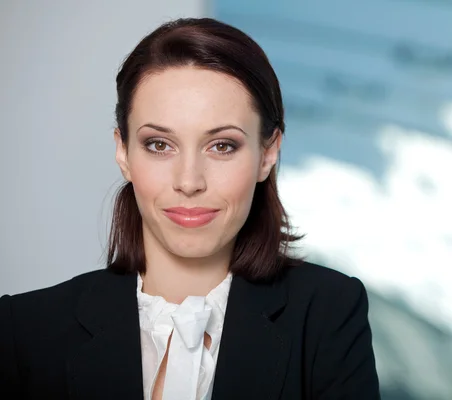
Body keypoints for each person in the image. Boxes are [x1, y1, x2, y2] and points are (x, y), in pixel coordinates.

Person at [0, 18, 380, 400]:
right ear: (123, 152)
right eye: (159, 144)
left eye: (222, 146)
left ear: (268, 153)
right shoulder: (25, 328)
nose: (189, 181)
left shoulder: (328, 314)